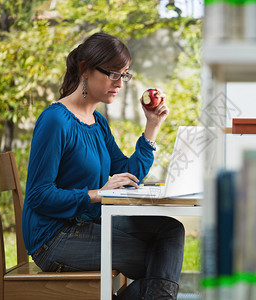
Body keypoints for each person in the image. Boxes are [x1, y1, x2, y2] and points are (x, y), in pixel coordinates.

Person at [22, 32, 185, 299]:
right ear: (85, 69)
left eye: (124, 74)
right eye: (113, 73)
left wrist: (152, 127)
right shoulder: (55, 121)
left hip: (90, 221)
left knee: (170, 231)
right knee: (161, 264)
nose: (120, 83)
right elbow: (39, 196)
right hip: (53, 238)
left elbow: (128, 173)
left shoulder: (97, 122)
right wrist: (97, 194)